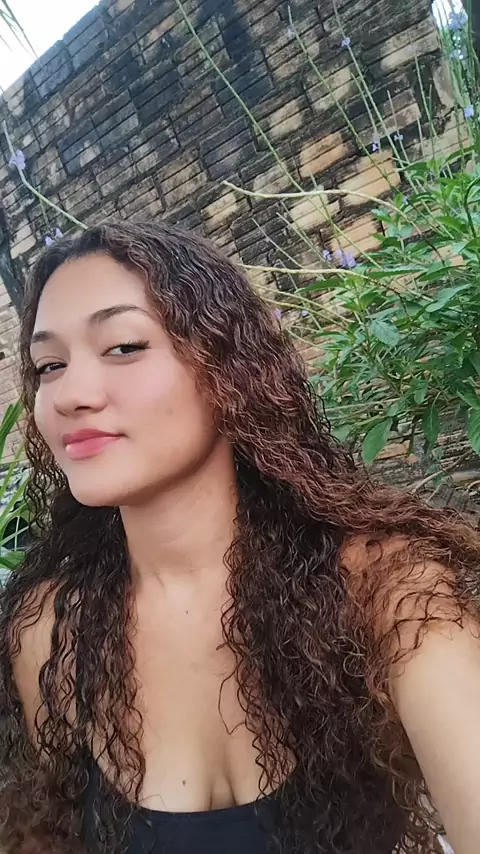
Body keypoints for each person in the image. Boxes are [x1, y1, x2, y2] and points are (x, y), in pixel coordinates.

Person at [0, 221, 479, 854]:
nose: (70, 395)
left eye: (123, 346)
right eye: (51, 365)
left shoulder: (385, 593)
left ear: (226, 368)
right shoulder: (50, 630)